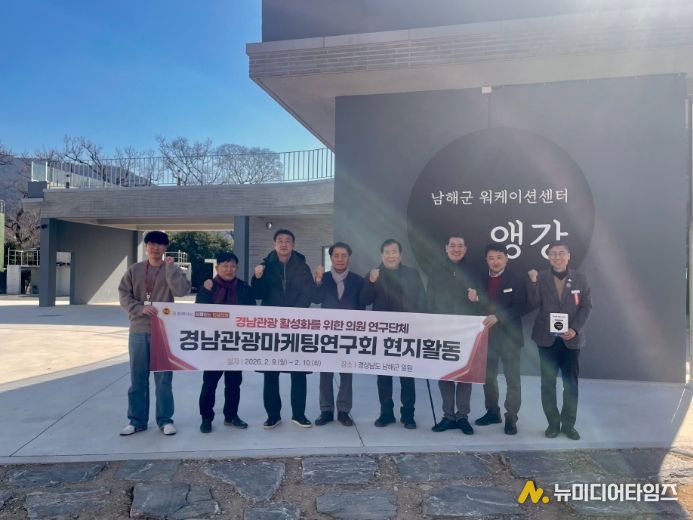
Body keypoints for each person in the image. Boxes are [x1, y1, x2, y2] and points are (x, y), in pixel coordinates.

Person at [117, 230, 191, 436]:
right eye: (151, 243)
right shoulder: (135, 269)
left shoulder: (172, 268)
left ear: (165, 247)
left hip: (164, 331)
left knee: (164, 380)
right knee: (137, 379)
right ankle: (136, 421)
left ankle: (165, 420)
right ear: (146, 246)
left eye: (160, 244)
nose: (155, 248)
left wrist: (171, 269)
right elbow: (123, 294)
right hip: (139, 329)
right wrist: (139, 308)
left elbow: (181, 291)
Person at [527, 241, 592, 440]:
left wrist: (574, 329)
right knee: (548, 385)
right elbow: (534, 303)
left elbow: (586, 307)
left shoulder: (580, 278)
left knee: (570, 385)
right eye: (553, 253)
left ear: (568, 255)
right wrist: (533, 283)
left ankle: (569, 425)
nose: (557, 257)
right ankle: (553, 424)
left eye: (561, 253)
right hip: (546, 339)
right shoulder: (541, 277)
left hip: (570, 340)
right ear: (548, 257)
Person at [252, 228, 315, 428]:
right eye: (280, 240)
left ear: (293, 245)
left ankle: (299, 414)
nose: (284, 244)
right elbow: (258, 294)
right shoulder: (265, 266)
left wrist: (294, 315)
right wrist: (257, 277)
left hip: (297, 325)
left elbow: (308, 293)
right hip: (272, 326)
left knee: (299, 371)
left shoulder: (303, 266)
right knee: (271, 371)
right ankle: (273, 415)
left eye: (288, 240)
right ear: (274, 244)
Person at [360, 238, 426, 429]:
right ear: (382, 255)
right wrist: (371, 282)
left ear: (400, 254)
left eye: (394, 252)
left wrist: (421, 324)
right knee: (383, 376)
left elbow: (421, 300)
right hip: (383, 335)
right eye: (387, 252)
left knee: (407, 376)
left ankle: (408, 415)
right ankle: (386, 414)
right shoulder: (374, 274)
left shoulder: (412, 274)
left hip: (407, 332)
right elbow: (363, 300)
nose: (391, 255)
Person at [426, 234, 479, 435]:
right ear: (446, 248)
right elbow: (430, 301)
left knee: (465, 376)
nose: (456, 249)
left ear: (465, 249)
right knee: (445, 375)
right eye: (453, 245)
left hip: (467, 332)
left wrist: (477, 299)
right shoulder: (436, 271)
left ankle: (462, 416)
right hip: (443, 331)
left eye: (460, 246)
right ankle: (448, 416)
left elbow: (485, 303)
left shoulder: (474, 271)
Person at [197, 252, 255, 433]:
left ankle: (231, 415)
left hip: (236, 343)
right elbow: (199, 313)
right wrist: (206, 291)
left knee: (234, 383)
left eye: (232, 266)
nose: (229, 269)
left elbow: (252, 312)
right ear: (217, 267)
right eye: (225, 266)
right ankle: (206, 418)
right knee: (210, 383)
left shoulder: (243, 287)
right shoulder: (208, 287)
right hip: (214, 343)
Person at [473, 243, 527, 435]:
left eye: (499, 257)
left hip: (510, 339)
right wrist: (475, 300)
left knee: (512, 379)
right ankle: (492, 412)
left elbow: (522, 306)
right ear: (486, 260)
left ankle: (511, 417)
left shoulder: (516, 278)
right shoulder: (480, 278)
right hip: (488, 337)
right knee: (488, 378)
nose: (495, 261)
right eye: (491, 258)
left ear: (506, 258)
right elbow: (480, 306)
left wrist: (499, 317)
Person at [312, 242, 365, 427]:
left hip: (349, 334)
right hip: (327, 334)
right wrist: (318, 281)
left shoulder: (358, 280)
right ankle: (326, 410)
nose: (340, 259)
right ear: (331, 258)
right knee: (326, 373)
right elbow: (316, 298)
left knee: (346, 373)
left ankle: (344, 411)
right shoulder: (324, 278)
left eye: (343, 255)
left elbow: (362, 306)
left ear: (348, 258)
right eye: (336, 255)